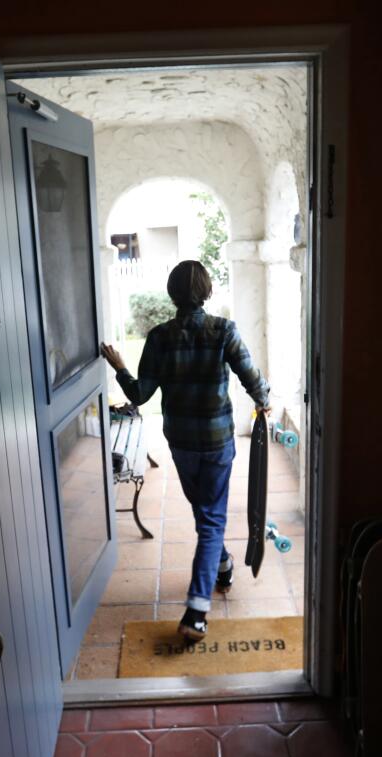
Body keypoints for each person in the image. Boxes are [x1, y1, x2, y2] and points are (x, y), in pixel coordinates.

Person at [102, 260, 270, 641]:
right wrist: (264, 400)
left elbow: (139, 395)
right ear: (207, 292)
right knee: (210, 518)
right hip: (216, 442)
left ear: (172, 294)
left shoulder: (159, 337)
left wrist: (119, 367)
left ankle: (222, 564)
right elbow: (249, 375)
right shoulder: (222, 330)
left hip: (181, 443)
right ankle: (196, 611)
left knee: (205, 513)